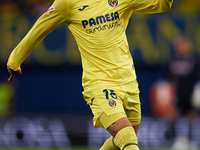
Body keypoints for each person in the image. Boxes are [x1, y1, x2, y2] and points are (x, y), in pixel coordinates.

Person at [7, 0, 173, 149]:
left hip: (129, 81)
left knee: (125, 139)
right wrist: (14, 60)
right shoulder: (67, 3)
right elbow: (38, 30)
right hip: (99, 83)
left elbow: (162, 4)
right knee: (126, 135)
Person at [164, 36, 199, 143]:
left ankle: (190, 138)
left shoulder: (194, 60)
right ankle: (171, 136)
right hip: (178, 93)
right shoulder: (172, 60)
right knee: (173, 113)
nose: (180, 47)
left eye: (183, 44)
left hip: (191, 92)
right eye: (178, 45)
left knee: (191, 114)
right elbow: (167, 79)